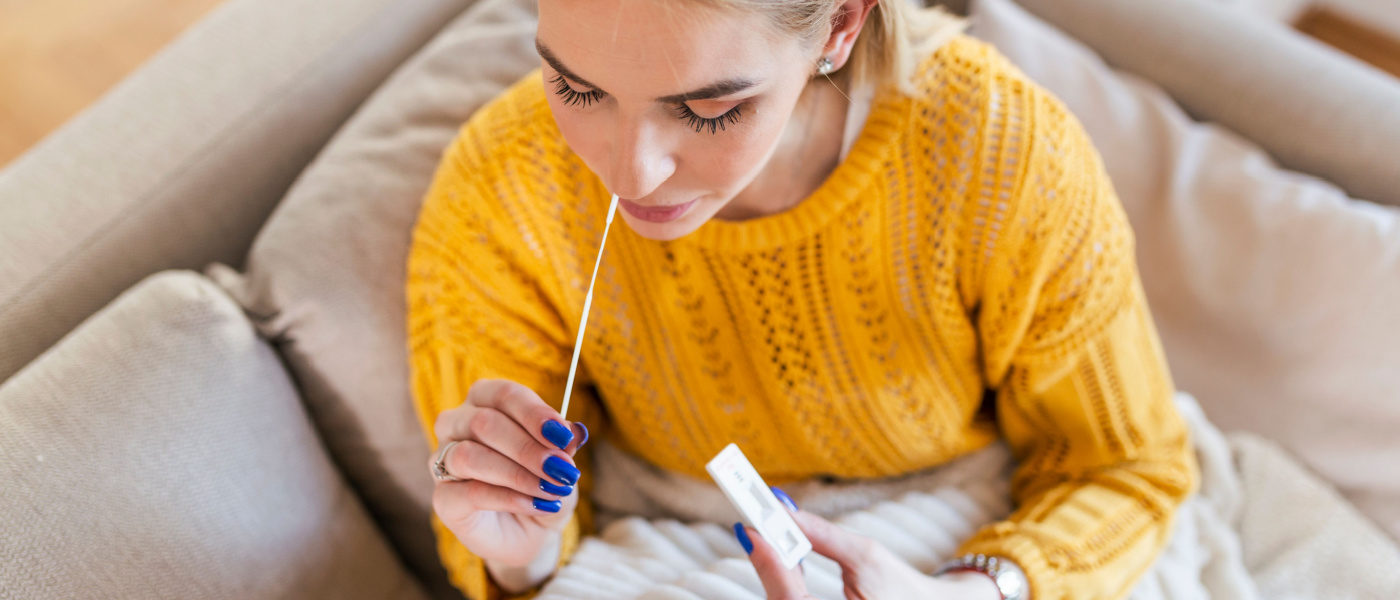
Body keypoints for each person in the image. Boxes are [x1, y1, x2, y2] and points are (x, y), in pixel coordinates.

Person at [406, 0, 1199, 598]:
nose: (631, 174)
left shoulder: (1001, 156)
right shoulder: (501, 189)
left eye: (709, 109)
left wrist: (974, 588)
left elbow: (1130, 468)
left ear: (841, 25)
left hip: (971, 532)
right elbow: (527, 566)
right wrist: (520, 552)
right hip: (668, 541)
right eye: (577, 90)